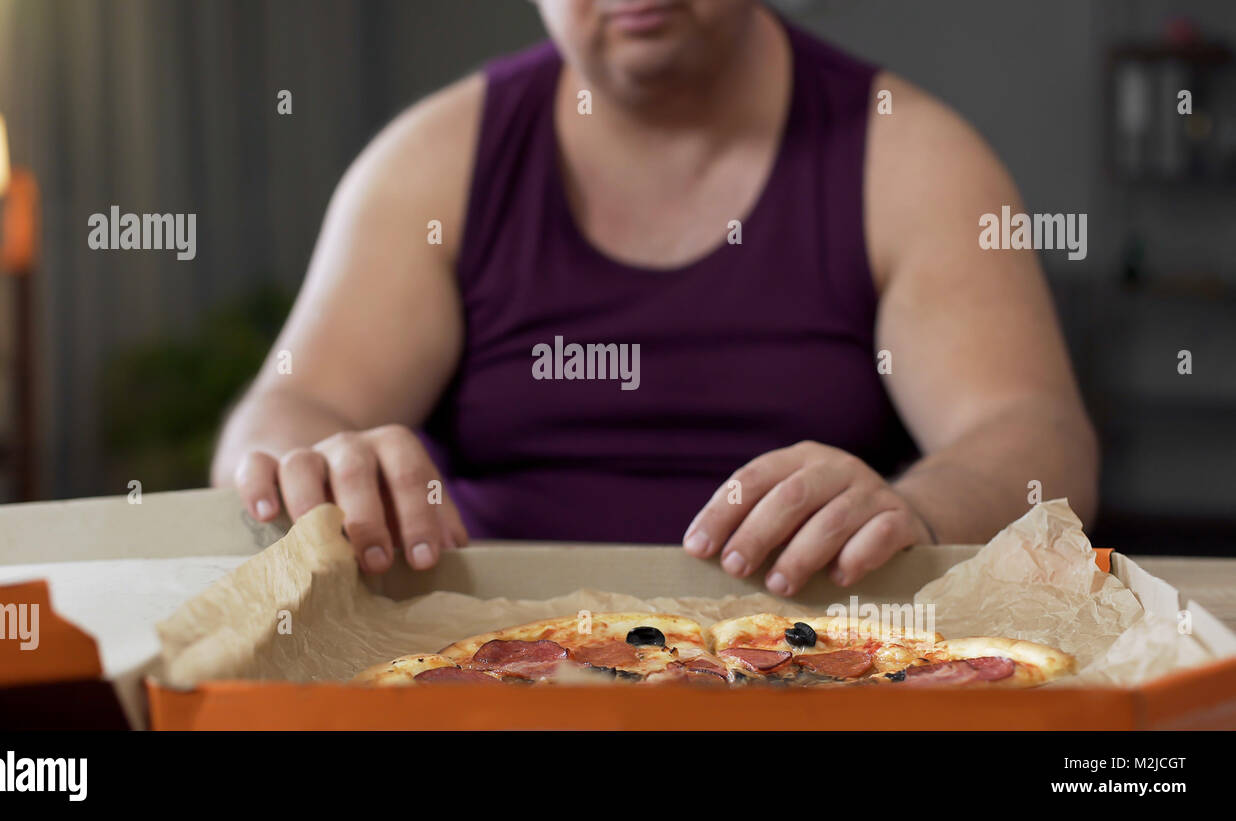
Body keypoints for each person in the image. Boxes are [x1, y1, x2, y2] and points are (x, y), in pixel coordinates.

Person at [212, 0, 1098, 597]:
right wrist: (309, 464)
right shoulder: (430, 163)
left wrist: (925, 507)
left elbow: (1034, 432)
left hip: (810, 665)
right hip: (484, 668)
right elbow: (285, 407)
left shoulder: (913, 158)